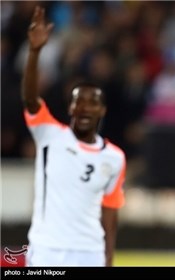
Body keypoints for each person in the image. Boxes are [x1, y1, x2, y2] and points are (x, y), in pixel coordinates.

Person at [22, 6, 126, 267]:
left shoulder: (114, 158)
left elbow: (110, 213)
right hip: (46, 250)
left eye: (92, 103)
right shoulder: (49, 135)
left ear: (102, 110)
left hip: (89, 252)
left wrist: (108, 259)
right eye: (79, 102)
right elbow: (30, 99)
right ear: (70, 107)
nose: (84, 109)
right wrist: (34, 53)